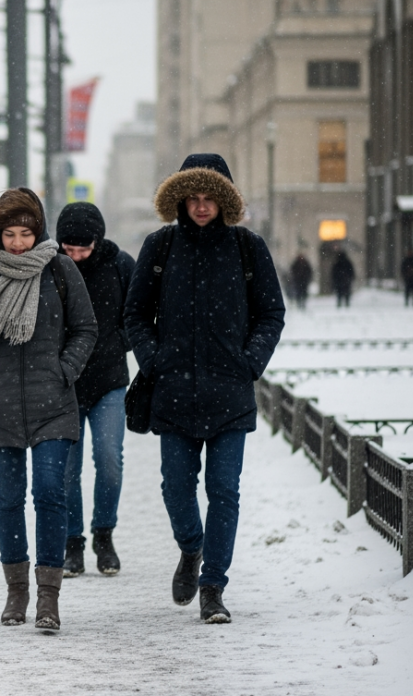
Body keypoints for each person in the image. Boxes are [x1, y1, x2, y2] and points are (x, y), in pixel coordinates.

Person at [125, 154, 285, 624]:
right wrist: (155, 360)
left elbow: (271, 313)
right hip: (173, 391)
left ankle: (213, 586)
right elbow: (135, 314)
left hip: (229, 392)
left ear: (224, 200)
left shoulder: (247, 247)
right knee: (175, 487)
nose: (200, 206)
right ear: (180, 199)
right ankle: (191, 548)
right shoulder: (159, 247)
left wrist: (249, 362)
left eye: (209, 197)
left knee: (224, 490)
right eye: (192, 198)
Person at [0, 188, 98, 631]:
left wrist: (64, 370)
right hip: (0, 407)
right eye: (10, 234)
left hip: (53, 403)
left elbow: (86, 328)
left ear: (39, 232)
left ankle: (48, 599)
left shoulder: (60, 270)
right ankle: (16, 592)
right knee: (8, 500)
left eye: (26, 234)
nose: (18, 243)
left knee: (51, 494)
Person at [55, 202, 134, 578]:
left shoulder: (120, 265)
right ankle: (73, 544)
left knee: (109, 460)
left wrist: (120, 341)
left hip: (109, 381)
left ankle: (104, 535)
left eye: (82, 249)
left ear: (97, 240)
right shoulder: (51, 266)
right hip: (64, 384)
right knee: (68, 471)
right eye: (68, 249)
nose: (75, 257)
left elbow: (141, 313)